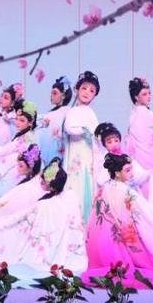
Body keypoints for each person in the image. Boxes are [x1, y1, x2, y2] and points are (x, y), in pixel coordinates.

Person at [83, 153, 153, 288]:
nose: (132, 173)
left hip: (99, 245)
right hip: (118, 244)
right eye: (127, 170)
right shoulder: (127, 191)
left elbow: (94, 220)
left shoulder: (104, 188)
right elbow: (148, 211)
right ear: (117, 173)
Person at [0, 160, 87, 282]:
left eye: (43, 181)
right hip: (59, 246)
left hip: (46, 246)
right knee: (21, 226)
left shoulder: (44, 204)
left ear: (51, 186)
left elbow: (19, 216)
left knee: (12, 231)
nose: (40, 182)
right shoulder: (69, 197)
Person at [63, 71, 101, 222]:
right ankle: (73, 221)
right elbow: (69, 128)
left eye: (92, 91)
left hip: (88, 155)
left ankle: (87, 223)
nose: (87, 92)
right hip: (75, 155)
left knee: (88, 184)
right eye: (84, 88)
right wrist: (84, 130)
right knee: (74, 184)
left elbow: (97, 134)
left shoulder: (91, 113)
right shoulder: (72, 111)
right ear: (77, 89)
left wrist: (93, 134)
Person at [0, 99, 37, 199]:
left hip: (16, 171)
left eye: (22, 120)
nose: (18, 123)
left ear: (30, 123)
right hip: (17, 169)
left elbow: (3, 151)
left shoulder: (25, 138)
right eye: (17, 119)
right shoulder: (26, 135)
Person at [94, 122, 153, 194]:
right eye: (109, 142)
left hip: (129, 191)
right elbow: (100, 181)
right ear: (105, 145)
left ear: (120, 141)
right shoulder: (106, 161)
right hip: (114, 193)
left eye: (116, 141)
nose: (114, 144)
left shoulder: (126, 157)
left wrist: (150, 173)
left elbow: (139, 175)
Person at [37, 76, 73, 163]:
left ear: (63, 95)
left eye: (54, 93)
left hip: (59, 151)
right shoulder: (49, 113)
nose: (51, 96)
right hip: (47, 150)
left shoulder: (67, 111)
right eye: (51, 93)